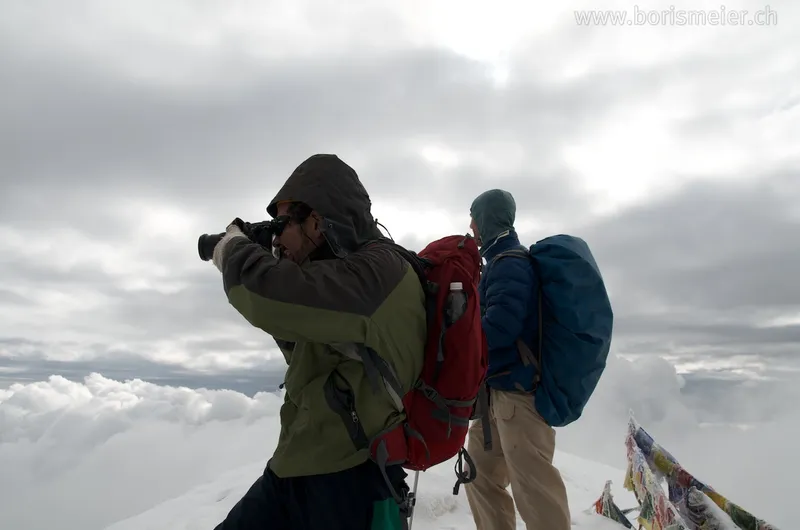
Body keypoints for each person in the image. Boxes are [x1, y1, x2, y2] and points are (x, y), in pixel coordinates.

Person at [208, 154, 427, 530]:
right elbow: (297, 342)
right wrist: (272, 252)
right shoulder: (335, 278)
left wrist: (233, 248)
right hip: (296, 468)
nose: (277, 237)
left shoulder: (380, 271)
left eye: (283, 224)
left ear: (317, 219)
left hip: (353, 481)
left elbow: (270, 297)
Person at [464, 189, 571, 530]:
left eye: (474, 218)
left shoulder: (510, 263)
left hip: (519, 397)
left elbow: (501, 327)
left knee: (535, 494)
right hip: (495, 397)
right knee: (478, 472)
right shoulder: (497, 264)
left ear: (487, 219)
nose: (470, 226)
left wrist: (457, 334)